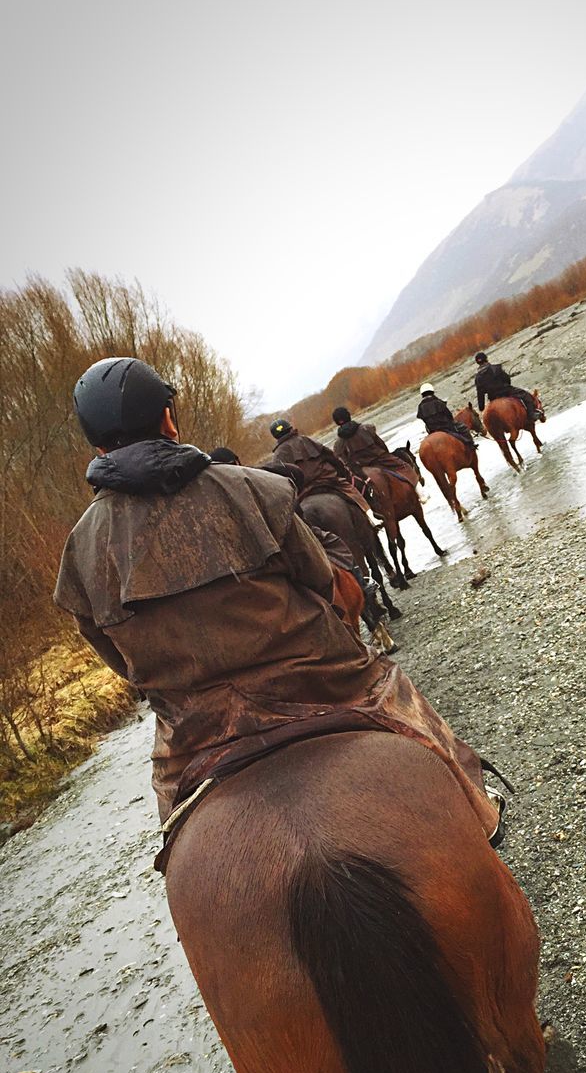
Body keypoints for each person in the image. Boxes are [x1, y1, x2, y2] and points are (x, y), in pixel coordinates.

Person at [54, 357, 500, 844]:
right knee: (393, 689)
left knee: (177, 831)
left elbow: (113, 654)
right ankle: (479, 809)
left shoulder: (79, 549)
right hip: (319, 677)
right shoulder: (255, 488)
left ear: (95, 444)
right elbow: (319, 579)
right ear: (167, 418)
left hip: (192, 726)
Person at [269, 418, 381, 526]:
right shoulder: (306, 440)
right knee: (353, 492)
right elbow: (331, 457)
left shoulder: (278, 455)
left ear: (275, 436)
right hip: (328, 480)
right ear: (290, 428)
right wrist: (344, 474)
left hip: (302, 492)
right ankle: (371, 517)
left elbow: (280, 483)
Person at [332, 406, 422, 486]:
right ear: (348, 416)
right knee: (405, 467)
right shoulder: (366, 428)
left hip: (361, 470)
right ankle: (420, 493)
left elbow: (345, 464)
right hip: (381, 459)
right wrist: (387, 455)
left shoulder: (338, 445)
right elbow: (382, 445)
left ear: (337, 422)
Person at [473, 352, 544, 423]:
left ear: (477, 363)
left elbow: (480, 393)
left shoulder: (478, 378)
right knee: (525, 395)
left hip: (493, 398)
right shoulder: (496, 368)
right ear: (486, 359)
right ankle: (531, 414)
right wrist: (506, 384)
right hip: (506, 391)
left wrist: (481, 407)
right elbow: (506, 379)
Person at [415, 384, 477, 450]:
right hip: (445, 427)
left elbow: (423, 418)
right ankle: (471, 445)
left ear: (422, 394)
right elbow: (449, 416)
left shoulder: (420, 406)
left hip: (432, 430)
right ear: (432, 391)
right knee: (464, 428)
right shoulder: (438, 402)